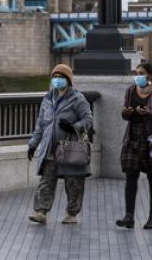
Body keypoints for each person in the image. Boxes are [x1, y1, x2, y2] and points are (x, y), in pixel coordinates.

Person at [27, 63, 93, 225]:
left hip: (70, 147)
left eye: (61, 78)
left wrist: (73, 127)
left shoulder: (77, 98)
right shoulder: (47, 99)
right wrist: (33, 144)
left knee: (73, 182)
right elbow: (41, 124)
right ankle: (41, 211)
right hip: (50, 147)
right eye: (55, 77)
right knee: (46, 180)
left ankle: (72, 213)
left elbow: (88, 120)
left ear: (68, 80)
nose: (57, 81)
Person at [116, 62, 152, 230]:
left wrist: (150, 115)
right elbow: (125, 114)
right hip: (133, 137)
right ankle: (129, 216)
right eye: (136, 72)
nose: (138, 75)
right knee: (130, 177)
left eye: (142, 72)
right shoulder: (131, 90)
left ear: (150, 75)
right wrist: (127, 112)